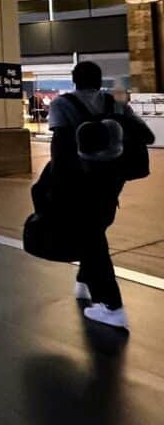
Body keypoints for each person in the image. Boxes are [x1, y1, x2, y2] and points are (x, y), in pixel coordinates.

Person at [47, 61, 153, 330]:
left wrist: (55, 186)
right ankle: (85, 281)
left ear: (73, 80)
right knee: (94, 230)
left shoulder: (63, 105)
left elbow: (60, 149)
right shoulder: (114, 103)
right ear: (99, 79)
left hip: (78, 181)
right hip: (112, 180)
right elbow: (147, 136)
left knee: (91, 238)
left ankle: (111, 306)